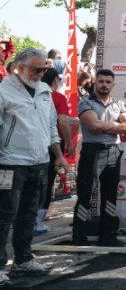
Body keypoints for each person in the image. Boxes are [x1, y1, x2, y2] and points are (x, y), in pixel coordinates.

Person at [0, 47, 67, 283]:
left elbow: (50, 128)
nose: (40, 74)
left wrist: (58, 156)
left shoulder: (44, 91)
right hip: (10, 164)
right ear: (20, 68)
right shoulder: (3, 90)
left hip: (39, 163)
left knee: (29, 215)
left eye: (44, 70)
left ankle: (23, 260)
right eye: (36, 70)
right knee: (4, 216)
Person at [73, 69, 126, 247]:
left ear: (113, 85)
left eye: (108, 82)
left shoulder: (118, 104)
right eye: (101, 81)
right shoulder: (85, 102)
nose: (104, 85)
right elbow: (93, 124)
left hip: (113, 152)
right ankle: (79, 237)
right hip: (92, 152)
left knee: (110, 195)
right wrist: (115, 125)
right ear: (95, 83)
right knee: (86, 194)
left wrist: (104, 126)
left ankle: (108, 236)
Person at [36, 68, 74, 235]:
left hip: (34, 144)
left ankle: (30, 220)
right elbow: (63, 122)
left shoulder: (33, 95)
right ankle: (37, 221)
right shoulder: (57, 97)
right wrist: (69, 144)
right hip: (53, 145)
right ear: (56, 80)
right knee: (47, 182)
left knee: (34, 182)